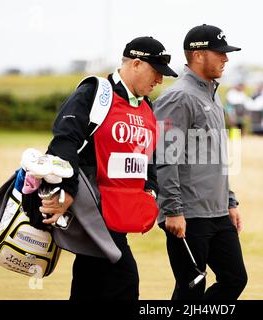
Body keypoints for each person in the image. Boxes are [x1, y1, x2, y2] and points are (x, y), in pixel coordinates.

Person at [39, 36, 178, 300]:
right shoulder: (95, 93)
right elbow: (64, 141)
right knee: (124, 280)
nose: (160, 80)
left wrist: (150, 188)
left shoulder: (146, 106)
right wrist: (66, 189)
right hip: (92, 210)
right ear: (136, 64)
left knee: (89, 284)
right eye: (156, 72)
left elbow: (149, 157)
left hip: (119, 214)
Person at [153, 24, 248, 300]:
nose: (226, 58)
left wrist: (229, 201)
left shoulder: (212, 94)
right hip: (188, 213)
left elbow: (216, 156)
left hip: (217, 212)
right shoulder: (179, 96)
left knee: (234, 279)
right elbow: (164, 158)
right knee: (192, 287)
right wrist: (172, 210)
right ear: (197, 55)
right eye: (220, 53)